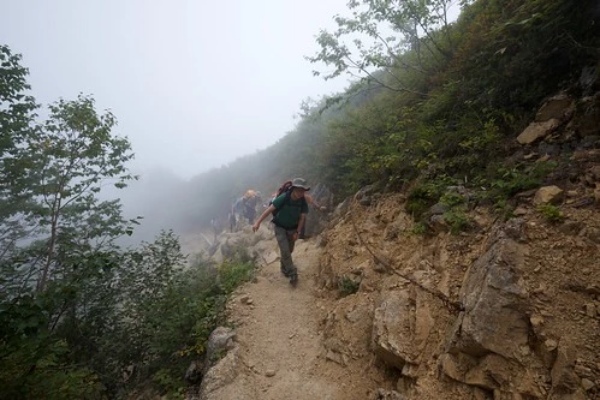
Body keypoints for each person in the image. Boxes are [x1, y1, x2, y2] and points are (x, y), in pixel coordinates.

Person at [252, 178, 310, 286]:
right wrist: (258, 222)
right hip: (280, 227)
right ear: (293, 189)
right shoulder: (284, 197)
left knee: (290, 250)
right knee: (285, 250)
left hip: (292, 228)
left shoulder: (302, 202)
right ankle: (293, 274)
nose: (300, 193)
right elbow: (269, 210)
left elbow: (302, 218)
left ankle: (284, 267)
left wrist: (298, 231)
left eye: (303, 191)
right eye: (299, 190)